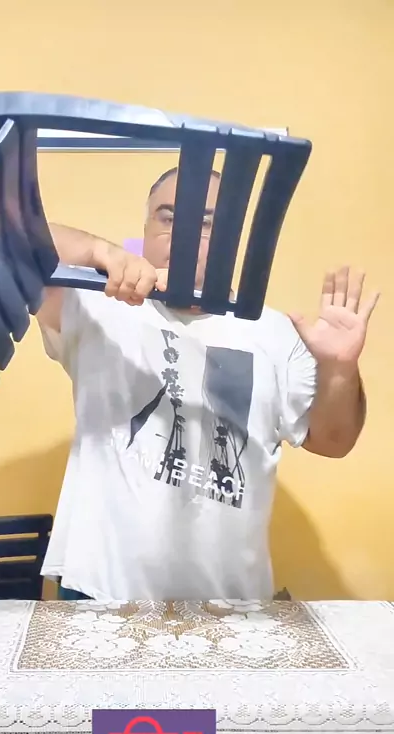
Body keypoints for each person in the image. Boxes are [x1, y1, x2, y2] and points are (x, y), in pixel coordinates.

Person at [37, 167, 378, 602]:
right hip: (98, 593)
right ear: (146, 229)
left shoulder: (273, 332)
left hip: (230, 608)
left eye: (205, 223)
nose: (183, 236)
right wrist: (100, 252)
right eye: (168, 217)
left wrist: (339, 369)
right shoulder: (99, 307)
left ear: (232, 240)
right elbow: (12, 242)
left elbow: (333, 440)